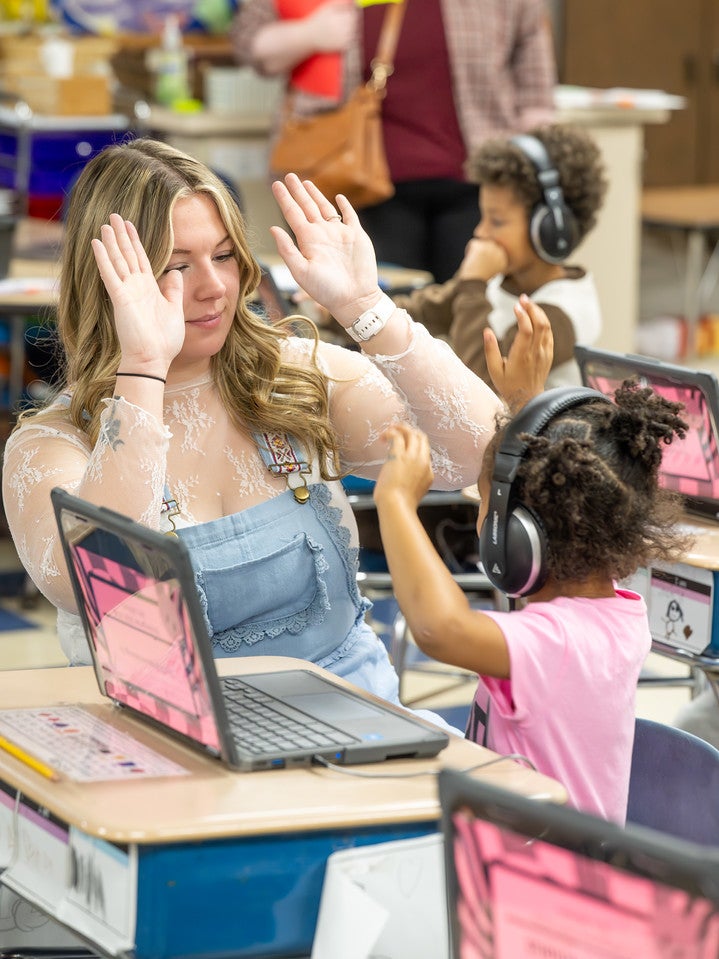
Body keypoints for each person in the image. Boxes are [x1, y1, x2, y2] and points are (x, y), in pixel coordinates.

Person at [1, 138, 552, 717]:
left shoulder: (295, 375)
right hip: (177, 761)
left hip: (360, 728)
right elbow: (106, 589)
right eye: (177, 267)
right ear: (110, 283)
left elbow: (475, 454)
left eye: (224, 255)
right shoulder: (52, 444)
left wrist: (368, 307)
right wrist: (143, 368)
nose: (213, 286)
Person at [371, 381, 690, 822]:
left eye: (485, 504)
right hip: (534, 853)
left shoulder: (559, 643)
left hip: (541, 878)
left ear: (519, 540)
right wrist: (522, 406)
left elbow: (440, 629)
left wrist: (396, 503)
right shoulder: (613, 614)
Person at [231, 0, 557, 282]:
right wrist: (311, 34)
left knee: (473, 317)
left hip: (479, 180)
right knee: (377, 323)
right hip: (358, 184)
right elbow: (249, 44)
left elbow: (536, 93)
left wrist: (534, 176)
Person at [393, 122, 608, 388]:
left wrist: (473, 285)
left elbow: (483, 387)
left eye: (496, 221)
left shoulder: (564, 313)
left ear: (549, 228)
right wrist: (348, 312)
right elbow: (427, 312)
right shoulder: (497, 278)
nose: (480, 231)